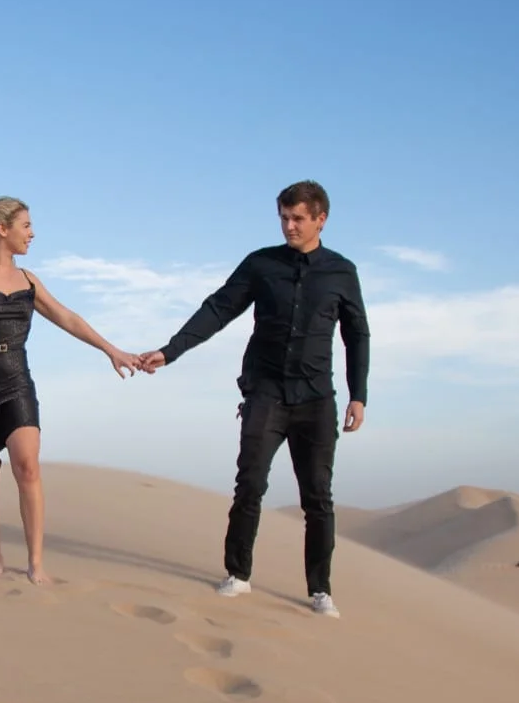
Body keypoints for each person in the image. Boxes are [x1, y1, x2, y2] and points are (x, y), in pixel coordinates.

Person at [139, 180, 369, 617]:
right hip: (266, 393)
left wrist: (359, 395)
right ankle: (238, 574)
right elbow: (219, 308)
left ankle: (320, 590)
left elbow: (357, 334)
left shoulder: (342, 271)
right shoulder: (261, 264)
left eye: (298, 218)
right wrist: (171, 351)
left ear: (321, 219)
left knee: (318, 497)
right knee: (250, 484)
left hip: (317, 399)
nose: (289, 226)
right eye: (283, 217)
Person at [0, 197, 140, 583]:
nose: (32, 234)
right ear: (3, 229)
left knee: (28, 466)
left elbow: (67, 316)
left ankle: (36, 564)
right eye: (26, 226)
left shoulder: (29, 280)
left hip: (17, 378)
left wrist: (111, 350)